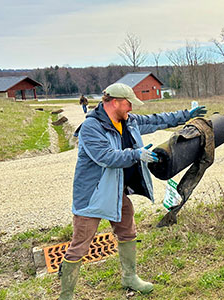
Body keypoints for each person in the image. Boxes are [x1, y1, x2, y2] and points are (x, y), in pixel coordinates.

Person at [58, 83, 207, 300]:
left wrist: (186, 115)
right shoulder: (92, 127)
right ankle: (66, 296)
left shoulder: (129, 121)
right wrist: (137, 155)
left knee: (127, 232)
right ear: (116, 102)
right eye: (129, 104)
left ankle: (130, 277)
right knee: (80, 245)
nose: (131, 109)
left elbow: (156, 120)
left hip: (117, 192)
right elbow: (106, 157)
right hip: (92, 196)